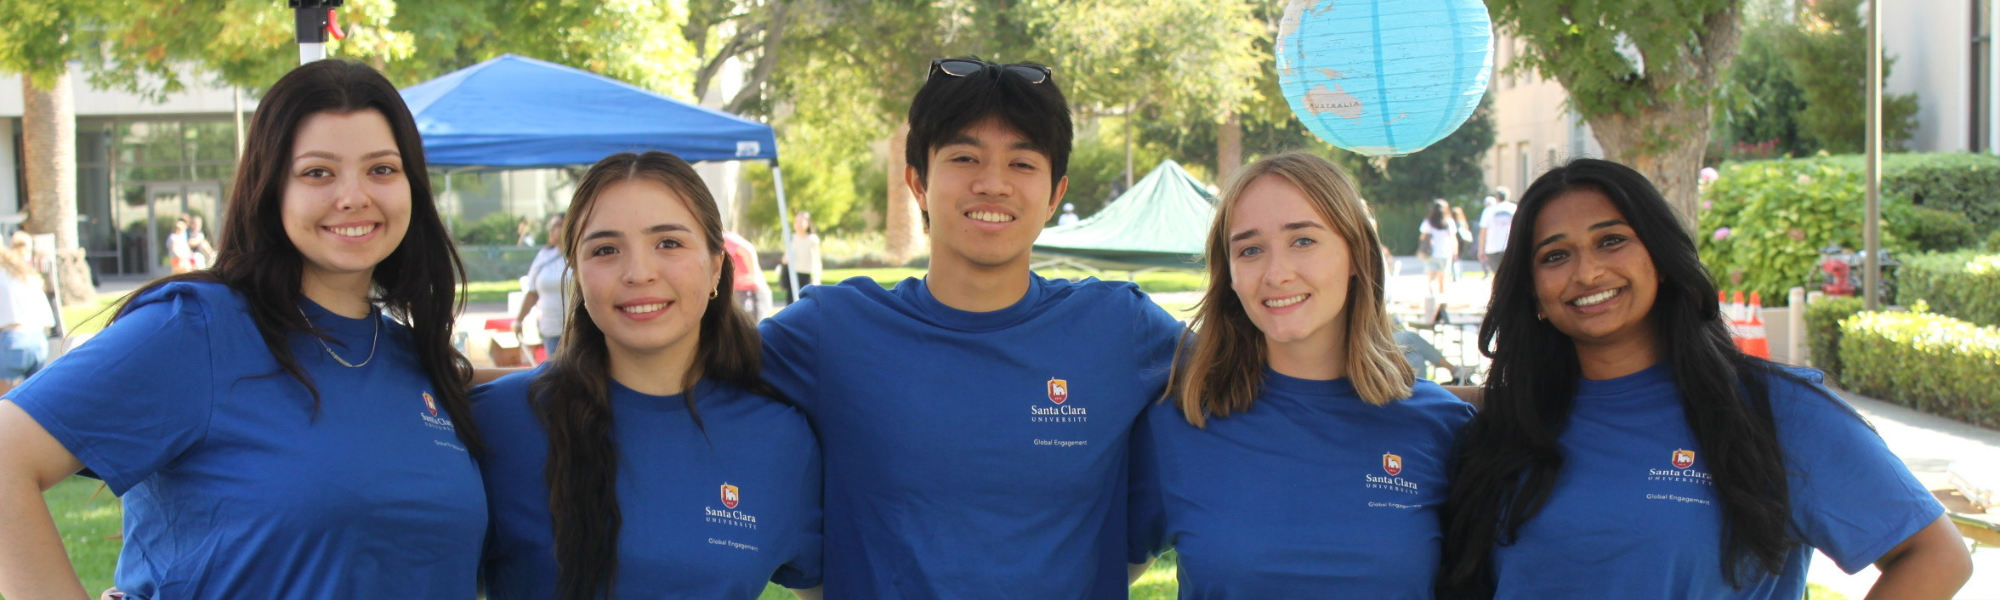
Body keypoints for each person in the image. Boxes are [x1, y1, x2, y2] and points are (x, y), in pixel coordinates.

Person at [0, 59, 488, 599]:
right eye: (317, 173)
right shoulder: (199, 328)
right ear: (270, 188)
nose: (354, 196)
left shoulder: (411, 358)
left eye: (382, 169)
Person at [1438, 158, 1972, 599]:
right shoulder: (1507, 427)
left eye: (1612, 241)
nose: (1587, 273)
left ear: (1662, 260)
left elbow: (1937, 555)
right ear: (1532, 292)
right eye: (1555, 255)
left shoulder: (1775, 410)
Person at [757, 56, 1182, 598]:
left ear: (1055, 193)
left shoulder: (1120, 328)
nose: (993, 184)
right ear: (918, 182)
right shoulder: (830, 331)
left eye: (1023, 163)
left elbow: (1249, 387)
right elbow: (690, 383)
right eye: (964, 157)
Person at [475, 152, 822, 600]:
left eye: (669, 243)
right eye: (605, 250)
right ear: (578, 274)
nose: (639, 273)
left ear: (716, 266)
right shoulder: (499, 422)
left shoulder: (781, 440)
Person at [1129, 151, 1473, 598]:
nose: (1276, 273)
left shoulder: (1444, 427)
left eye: (1303, 241)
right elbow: (1083, 574)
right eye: (1250, 250)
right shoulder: (1181, 424)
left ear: (1357, 255)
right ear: (1230, 276)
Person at [0, 232, 53, 395]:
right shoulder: (20, 270)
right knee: (29, 406)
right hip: (38, 340)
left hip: (13, 343)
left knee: (5, 411)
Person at [514, 212, 570, 356]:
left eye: (557, 225)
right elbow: (532, 293)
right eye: (551, 226)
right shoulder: (544, 256)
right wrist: (519, 321)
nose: (552, 230)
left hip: (580, 332)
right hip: (551, 331)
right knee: (556, 374)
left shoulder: (581, 255)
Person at [722, 230, 773, 318]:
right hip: (743, 292)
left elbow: (747, 250)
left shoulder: (725, 239)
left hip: (751, 292)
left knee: (751, 328)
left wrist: (753, 276)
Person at [777, 210, 821, 304]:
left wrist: (817, 279)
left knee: (805, 303)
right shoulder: (791, 238)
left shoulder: (812, 239)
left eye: (801, 221)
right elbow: (785, 258)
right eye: (796, 221)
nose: (798, 224)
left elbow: (817, 260)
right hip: (792, 274)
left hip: (805, 275)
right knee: (791, 303)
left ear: (808, 223)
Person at [1418, 199, 1457, 297]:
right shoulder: (1449, 222)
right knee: (1442, 278)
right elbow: (1453, 238)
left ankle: (1432, 297)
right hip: (1445, 252)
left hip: (1430, 253)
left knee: (1431, 278)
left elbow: (1422, 237)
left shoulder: (1428, 222)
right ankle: (1441, 298)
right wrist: (1455, 252)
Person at [1477, 190, 1516, 277]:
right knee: (1511, 274)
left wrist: (1481, 249)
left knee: (1498, 275)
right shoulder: (1514, 208)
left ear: (1496, 197)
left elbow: (1483, 231)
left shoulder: (1489, 210)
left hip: (1492, 247)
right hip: (1511, 246)